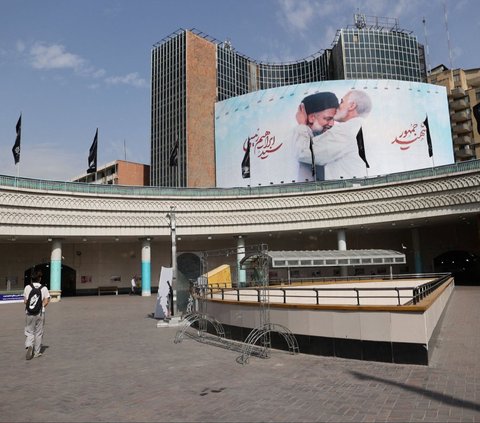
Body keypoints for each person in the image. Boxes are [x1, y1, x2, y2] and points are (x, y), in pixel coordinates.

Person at [296, 89, 372, 180]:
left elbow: (304, 152)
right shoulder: (367, 128)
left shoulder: (346, 130)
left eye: (342, 102)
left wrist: (302, 125)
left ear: (352, 105)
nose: (338, 107)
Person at [291, 92, 339, 181]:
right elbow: (302, 153)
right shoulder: (296, 136)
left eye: (333, 119)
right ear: (312, 118)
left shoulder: (332, 138)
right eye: (327, 119)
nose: (332, 124)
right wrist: (302, 125)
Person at [23, 269, 50, 360]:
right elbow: (47, 301)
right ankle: (36, 352)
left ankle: (29, 345)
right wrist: (41, 306)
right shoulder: (44, 288)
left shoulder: (27, 287)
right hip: (40, 313)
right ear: (40, 278)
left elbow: (25, 301)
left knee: (29, 331)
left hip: (29, 313)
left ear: (31, 279)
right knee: (39, 333)